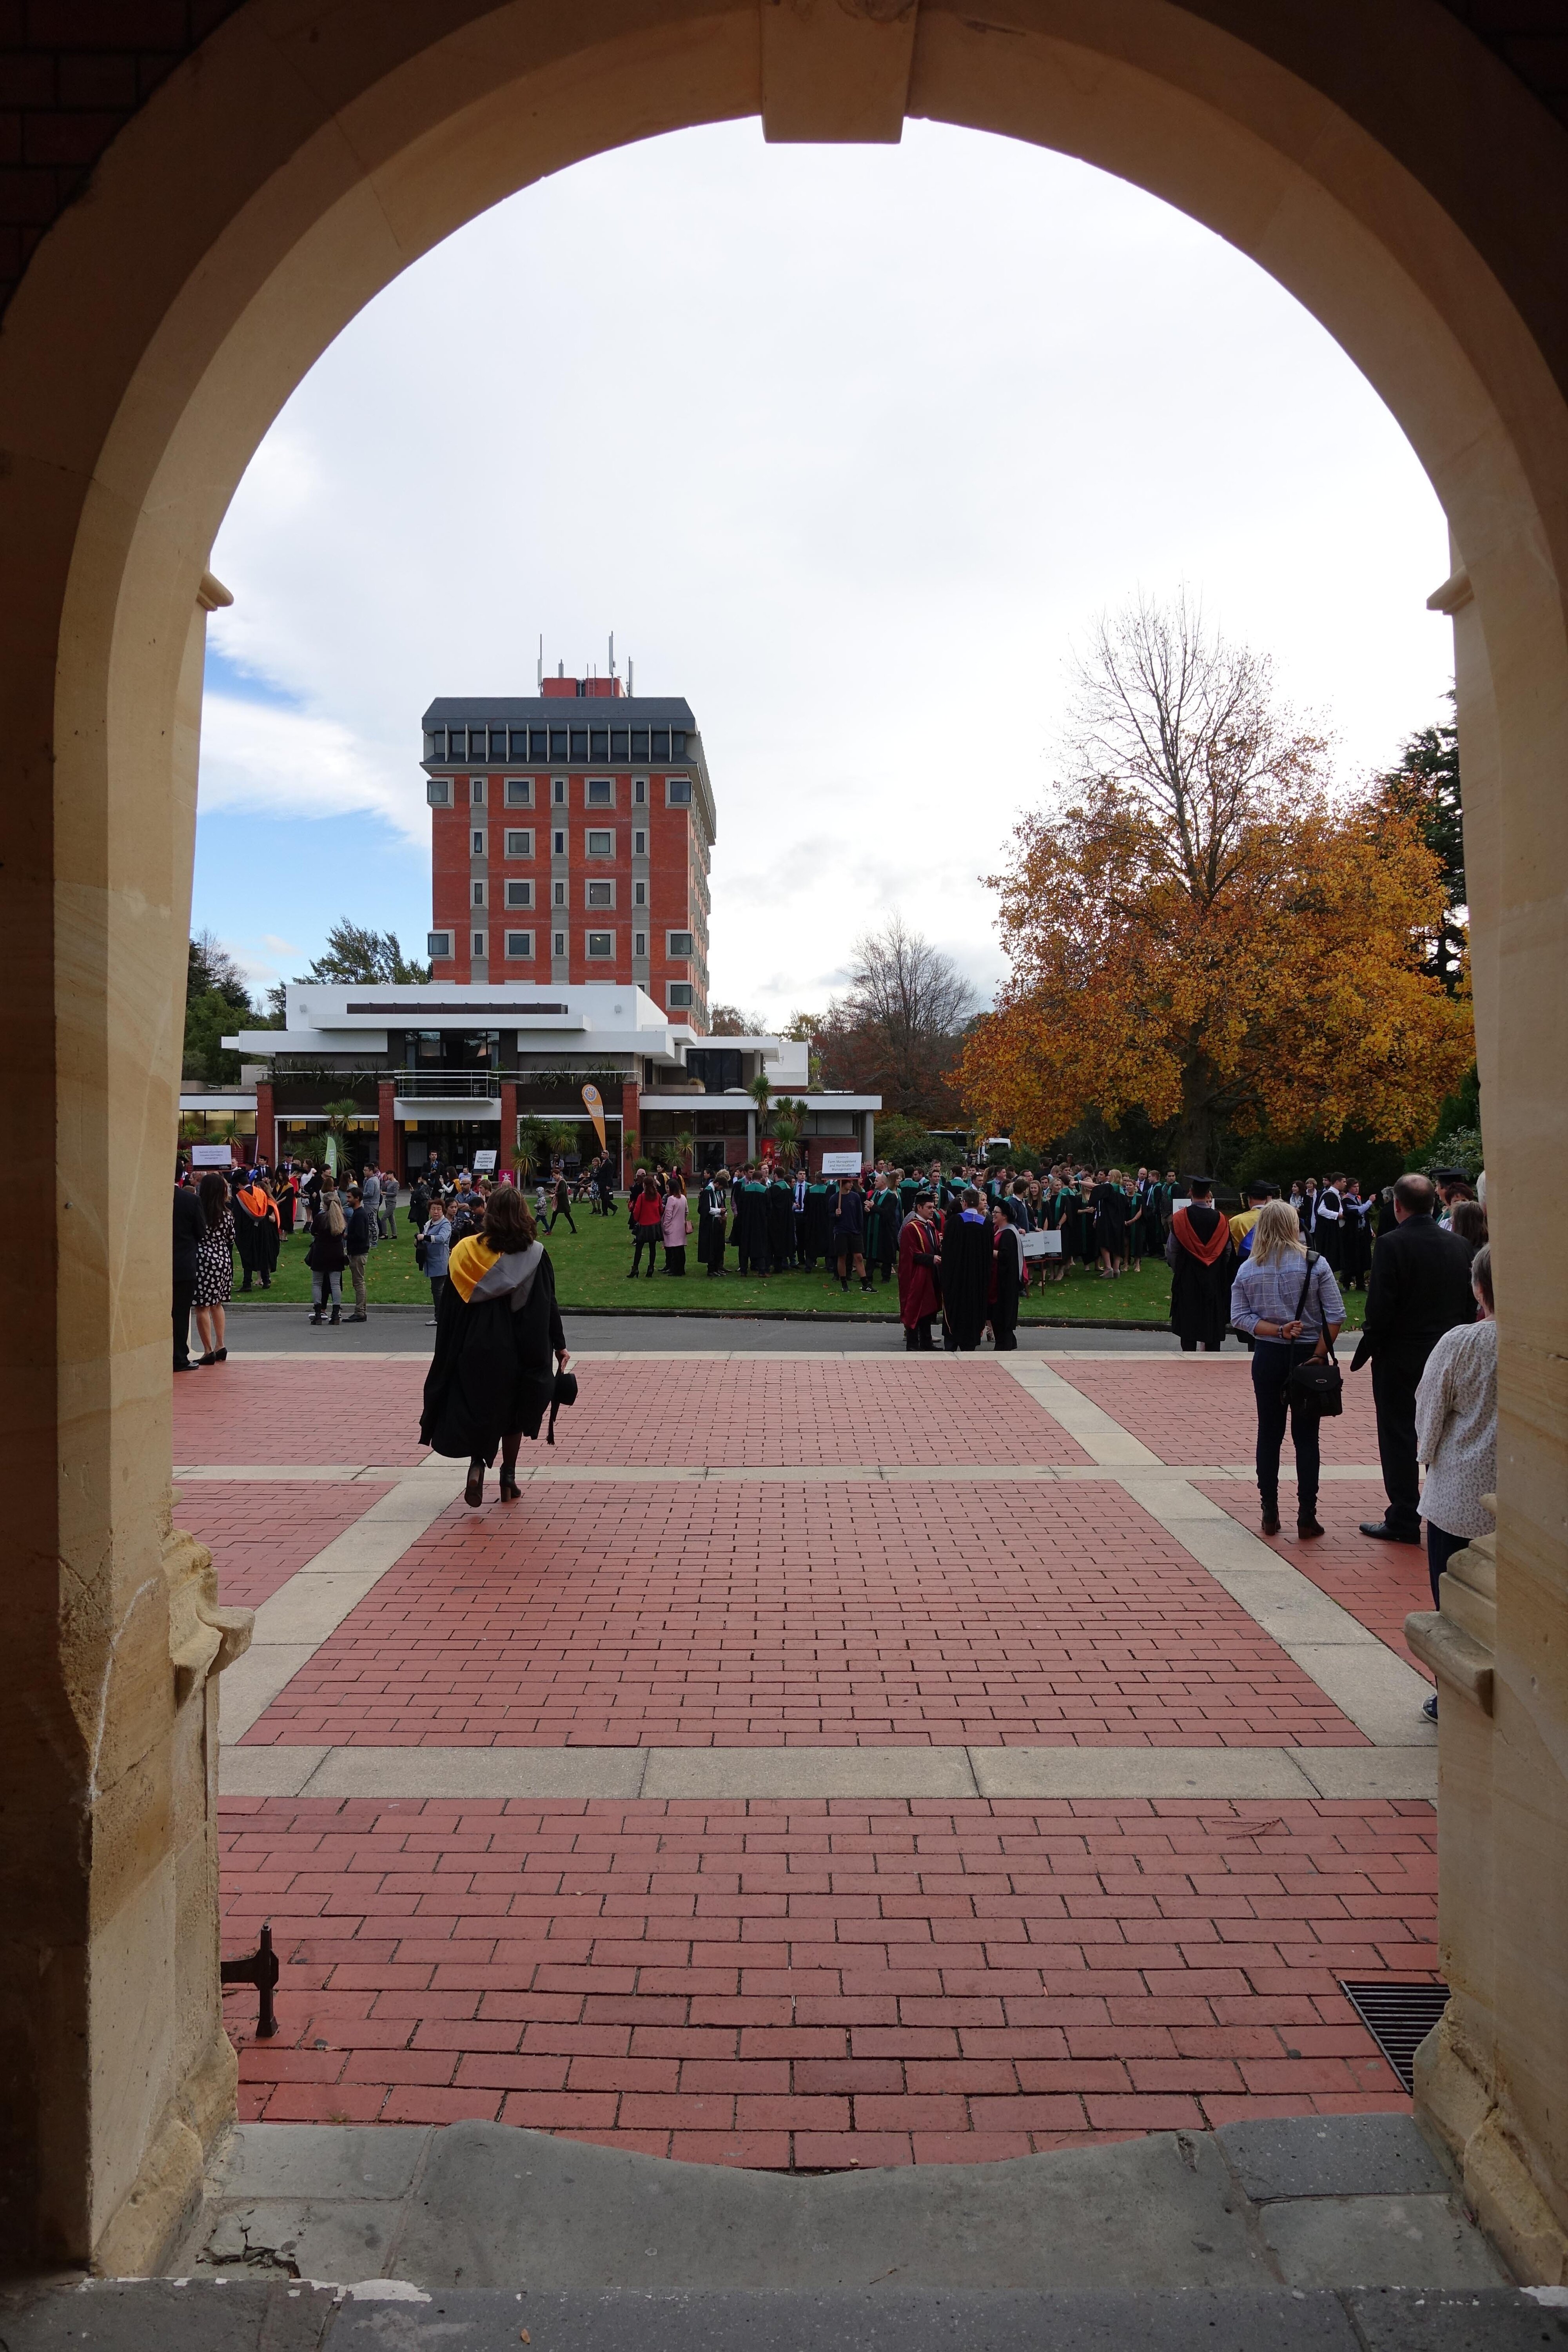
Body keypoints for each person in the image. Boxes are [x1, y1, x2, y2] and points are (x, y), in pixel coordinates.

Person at [419, 1185, 570, 1510]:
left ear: (489, 1214)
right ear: (522, 1215)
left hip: (474, 1347)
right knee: (514, 1414)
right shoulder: (534, 1255)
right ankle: (508, 1478)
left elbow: (450, 1309)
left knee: (482, 1407)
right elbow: (547, 1304)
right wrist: (559, 1345)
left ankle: (477, 1468)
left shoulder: (464, 1252)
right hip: (517, 1349)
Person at [1352, 1172, 1479, 1544]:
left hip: (1400, 1355)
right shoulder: (1459, 1246)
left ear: (1397, 1205)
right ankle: (1446, 1512)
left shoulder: (1391, 1245)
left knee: (1398, 1435)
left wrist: (1369, 1348)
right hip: (1447, 1353)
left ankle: (1404, 1516)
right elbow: (1467, 1301)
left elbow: (1381, 1307)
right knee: (1446, 1434)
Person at [1414, 1243, 1497, 1722]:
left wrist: (1427, 1456)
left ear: (1479, 1289)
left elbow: (1429, 1413)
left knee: (1452, 1606)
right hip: (1515, 1495)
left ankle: (1453, 1695)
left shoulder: (1461, 1342)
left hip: (1458, 1495)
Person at [1229, 1200, 1344, 1538]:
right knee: (1307, 1437)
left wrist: (1276, 1330)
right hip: (1308, 1356)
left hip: (1268, 1356)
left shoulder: (1248, 1269)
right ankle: (1307, 1514)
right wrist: (1320, 1354)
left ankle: (1269, 1510)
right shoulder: (1315, 1263)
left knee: (1269, 1433)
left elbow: (1239, 1317)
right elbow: (1336, 1315)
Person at [1165, 1177, 1235, 1352]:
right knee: (1212, 1320)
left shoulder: (1180, 1218)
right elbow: (1227, 1252)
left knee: (1188, 1324)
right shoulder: (1221, 1220)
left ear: (1190, 1193)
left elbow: (1172, 1251)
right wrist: (1216, 1269)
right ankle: (1212, 1356)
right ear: (1208, 1195)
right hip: (1214, 1278)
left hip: (1187, 1277)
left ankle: (1188, 1357)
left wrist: (1178, 1270)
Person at [941, 1188, 991, 1350]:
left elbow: (947, 1251)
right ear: (978, 1204)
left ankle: (952, 1340)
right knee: (974, 1307)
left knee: (956, 1306)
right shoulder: (987, 1225)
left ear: (964, 1202)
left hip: (957, 1277)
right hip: (978, 1277)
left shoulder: (955, 1222)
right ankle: (971, 1341)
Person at [192, 1170, 234, 1363]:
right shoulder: (227, 1213)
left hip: (204, 1259)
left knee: (202, 1306)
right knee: (218, 1303)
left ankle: (208, 1350)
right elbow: (232, 1237)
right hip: (223, 1258)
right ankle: (221, 1344)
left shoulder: (200, 1211)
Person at [897, 1191, 941, 1350]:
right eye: (929, 1207)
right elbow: (912, 1253)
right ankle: (913, 1344)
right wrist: (932, 1259)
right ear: (919, 1208)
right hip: (917, 1275)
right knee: (916, 1308)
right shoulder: (911, 1228)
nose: (932, 1210)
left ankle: (927, 1343)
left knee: (928, 1308)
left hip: (929, 1274)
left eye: (933, 1207)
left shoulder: (930, 1225)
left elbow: (932, 1246)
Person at [305, 1175, 347, 1327]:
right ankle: (336, 1314)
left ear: (324, 1204)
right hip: (336, 1252)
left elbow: (314, 1232)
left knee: (317, 1284)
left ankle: (318, 1314)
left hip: (321, 1252)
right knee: (335, 1285)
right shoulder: (341, 1217)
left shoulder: (319, 1218)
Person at [173, 1176, 205, 1370]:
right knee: (180, 1312)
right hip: (184, 1264)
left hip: (155, 1263)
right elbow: (200, 1232)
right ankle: (179, 1357)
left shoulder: (151, 1198)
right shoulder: (191, 1200)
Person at [233, 1167, 280, 1291]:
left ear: (239, 1184)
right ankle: (266, 1281)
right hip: (263, 1229)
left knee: (247, 1255)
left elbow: (238, 1217)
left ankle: (247, 1283)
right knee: (262, 1253)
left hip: (248, 1231)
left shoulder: (240, 1196)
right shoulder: (261, 1193)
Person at [989, 1200, 1026, 1350]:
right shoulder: (1000, 1231)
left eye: (996, 1213)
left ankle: (1004, 1344)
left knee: (1002, 1313)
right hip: (998, 1279)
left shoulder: (1009, 1234)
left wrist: (987, 1251)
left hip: (1005, 1282)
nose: (993, 1214)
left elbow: (1005, 1256)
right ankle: (1008, 1341)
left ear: (1004, 1216)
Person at [830, 1172, 869, 1295]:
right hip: (841, 1231)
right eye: (849, 1182)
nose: (852, 1184)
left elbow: (860, 1214)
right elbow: (829, 1216)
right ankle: (844, 1283)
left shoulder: (856, 1197)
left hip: (855, 1232)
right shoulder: (835, 1199)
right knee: (842, 1257)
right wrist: (835, 1215)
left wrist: (860, 1229)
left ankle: (865, 1284)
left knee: (859, 1257)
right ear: (842, 1183)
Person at [421, 1196, 452, 1322]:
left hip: (440, 1262)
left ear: (443, 1211)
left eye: (439, 1209)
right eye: (433, 1209)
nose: (436, 1212)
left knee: (438, 1291)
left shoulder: (445, 1224)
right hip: (431, 1261)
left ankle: (440, 1317)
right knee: (437, 1290)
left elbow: (442, 1238)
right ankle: (442, 1315)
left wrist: (425, 1238)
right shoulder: (429, 1223)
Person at [1339, 1180, 1374, 1292]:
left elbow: (1365, 1216)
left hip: (1362, 1232)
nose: (1357, 1189)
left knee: (1362, 1259)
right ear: (1349, 1188)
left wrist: (1370, 1229)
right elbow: (1358, 1211)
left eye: (1358, 1186)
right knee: (1351, 1258)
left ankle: (1361, 1284)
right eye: (1354, 1187)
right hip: (1351, 1234)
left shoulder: (1358, 1199)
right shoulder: (1346, 1200)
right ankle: (1346, 1284)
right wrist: (1370, 1202)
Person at [343, 1181, 371, 1322]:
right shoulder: (358, 1213)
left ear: (358, 1198)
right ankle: (361, 1311)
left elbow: (360, 1235)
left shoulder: (360, 1215)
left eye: (350, 1198)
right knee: (359, 1282)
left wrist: (347, 1236)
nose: (348, 1200)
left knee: (359, 1283)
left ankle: (360, 1311)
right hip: (358, 1252)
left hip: (359, 1253)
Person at [628, 1168, 662, 1277]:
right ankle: (651, 1267)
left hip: (644, 1224)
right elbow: (661, 1209)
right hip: (655, 1224)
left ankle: (635, 1268)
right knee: (652, 1248)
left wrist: (637, 1220)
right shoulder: (657, 1196)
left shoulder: (642, 1197)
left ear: (644, 1185)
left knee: (639, 1248)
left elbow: (637, 1211)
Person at [698, 1167, 728, 1276]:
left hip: (716, 1222)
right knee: (711, 1246)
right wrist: (719, 1210)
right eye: (721, 1188)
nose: (721, 1190)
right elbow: (707, 1209)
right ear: (717, 1184)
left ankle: (717, 1268)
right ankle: (711, 1269)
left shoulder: (714, 1191)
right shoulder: (708, 1191)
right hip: (709, 1224)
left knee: (717, 1246)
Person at [661, 1172, 691, 1274]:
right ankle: (681, 1269)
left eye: (668, 1188)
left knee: (674, 1251)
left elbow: (668, 1215)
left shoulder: (671, 1199)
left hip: (672, 1228)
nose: (667, 1190)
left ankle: (675, 1270)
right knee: (681, 1250)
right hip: (681, 1227)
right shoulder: (683, 1198)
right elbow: (687, 1211)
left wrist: (665, 1226)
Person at [547, 1169, 577, 1234]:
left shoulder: (562, 1182)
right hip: (561, 1202)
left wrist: (554, 1195)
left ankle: (549, 1230)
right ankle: (549, 1230)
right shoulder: (559, 1182)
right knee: (556, 1215)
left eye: (555, 1175)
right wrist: (553, 1192)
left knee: (566, 1216)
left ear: (559, 1174)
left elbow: (562, 1192)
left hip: (563, 1203)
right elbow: (560, 1191)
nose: (554, 1177)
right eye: (553, 1176)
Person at [360, 1164, 381, 1248]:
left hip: (371, 1204)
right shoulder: (373, 1179)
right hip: (373, 1203)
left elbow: (370, 1193)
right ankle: (372, 1240)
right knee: (372, 1222)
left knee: (372, 1223)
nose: (364, 1172)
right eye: (364, 1170)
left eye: (366, 1171)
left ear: (371, 1171)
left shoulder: (372, 1181)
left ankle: (374, 1242)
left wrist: (361, 1195)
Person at [378, 1167, 399, 1241]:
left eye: (388, 1175)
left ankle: (385, 1234)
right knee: (391, 1219)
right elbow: (383, 1187)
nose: (387, 1176)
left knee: (384, 1218)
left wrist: (386, 1193)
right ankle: (394, 1234)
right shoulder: (389, 1182)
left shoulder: (396, 1183)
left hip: (392, 1202)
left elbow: (395, 1194)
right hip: (388, 1201)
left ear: (392, 1175)